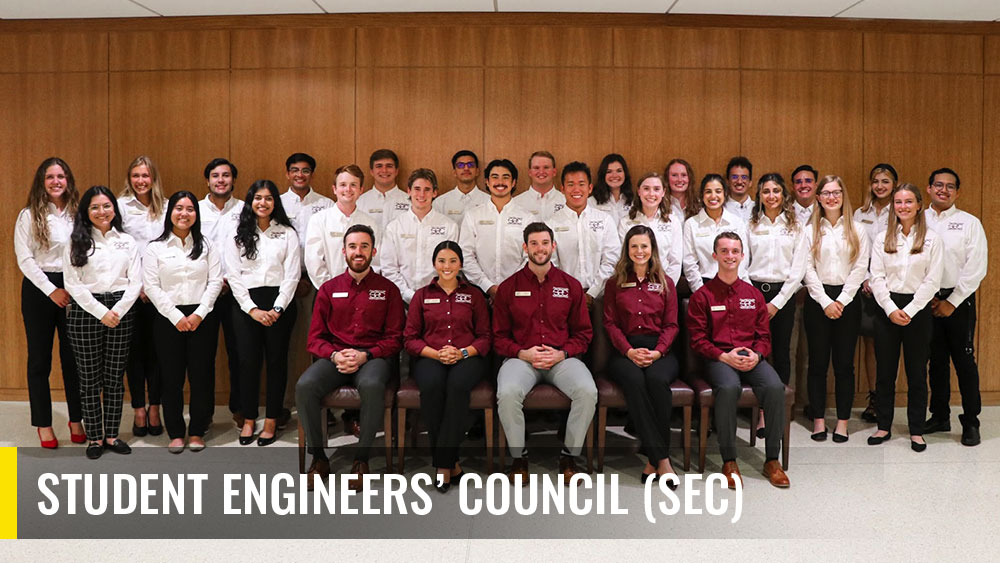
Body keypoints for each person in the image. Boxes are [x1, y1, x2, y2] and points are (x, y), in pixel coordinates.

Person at [297, 224, 404, 491]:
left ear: (374, 251)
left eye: (364, 246)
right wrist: (334, 355)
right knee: (305, 386)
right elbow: (314, 339)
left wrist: (366, 355)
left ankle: (361, 459)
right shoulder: (329, 289)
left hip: (372, 358)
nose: (359, 252)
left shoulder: (388, 289)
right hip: (336, 357)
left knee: (371, 385)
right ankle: (319, 458)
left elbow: (395, 338)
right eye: (353, 247)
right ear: (343, 251)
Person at [493, 222, 596, 482]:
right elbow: (498, 337)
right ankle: (519, 458)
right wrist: (522, 353)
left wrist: (562, 354)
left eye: (545, 243)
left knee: (587, 391)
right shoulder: (508, 287)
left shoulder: (571, 286)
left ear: (554, 246)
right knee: (507, 393)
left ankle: (569, 456)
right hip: (521, 359)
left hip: (561, 358)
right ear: (525, 247)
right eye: (534, 244)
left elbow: (584, 334)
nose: (540, 249)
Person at [686, 232, 789, 489]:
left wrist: (757, 355)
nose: (730, 256)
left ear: (742, 256)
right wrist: (723, 356)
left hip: (751, 357)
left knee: (775, 388)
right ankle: (729, 461)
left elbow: (764, 336)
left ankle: (772, 460)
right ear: (715, 256)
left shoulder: (753, 295)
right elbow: (697, 340)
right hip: (718, 358)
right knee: (729, 388)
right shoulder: (703, 296)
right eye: (724, 251)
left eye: (735, 251)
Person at [403, 241, 491, 493]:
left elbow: (485, 337)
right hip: (431, 357)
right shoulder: (422, 295)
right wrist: (437, 354)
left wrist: (461, 352)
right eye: (442, 261)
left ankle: (442, 465)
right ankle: (450, 464)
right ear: (434, 264)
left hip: (468, 358)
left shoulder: (474, 295)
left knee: (457, 385)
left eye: (453, 260)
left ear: (461, 264)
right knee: (431, 387)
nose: (447, 266)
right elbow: (410, 339)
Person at [63, 186, 142, 459]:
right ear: (86, 211)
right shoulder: (75, 241)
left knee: (114, 379)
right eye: (95, 207)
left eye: (106, 206)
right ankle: (95, 438)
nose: (102, 212)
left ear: (114, 209)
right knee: (89, 380)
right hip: (87, 311)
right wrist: (100, 311)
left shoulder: (127, 241)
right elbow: (72, 283)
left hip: (121, 310)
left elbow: (136, 281)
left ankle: (112, 434)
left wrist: (117, 310)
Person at [142, 190, 223, 453]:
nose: (184, 214)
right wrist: (176, 316)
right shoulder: (156, 247)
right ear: (170, 213)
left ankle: (197, 430)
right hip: (168, 318)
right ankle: (175, 431)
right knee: (171, 377)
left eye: (190, 209)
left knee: (201, 376)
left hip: (203, 317)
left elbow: (215, 282)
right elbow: (152, 287)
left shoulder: (208, 245)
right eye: (179, 208)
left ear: (196, 215)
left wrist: (199, 313)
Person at [603, 225, 680, 486]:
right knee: (635, 381)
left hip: (660, 350)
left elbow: (671, 325)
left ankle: (651, 460)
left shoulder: (666, 282)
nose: (639, 251)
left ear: (652, 250)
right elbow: (610, 324)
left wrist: (658, 352)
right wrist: (629, 351)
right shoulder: (614, 283)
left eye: (644, 246)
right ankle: (663, 460)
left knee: (658, 382)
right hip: (625, 351)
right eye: (634, 246)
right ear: (627, 249)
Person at [225, 179, 300, 447]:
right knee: (247, 363)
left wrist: (278, 307)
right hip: (246, 304)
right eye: (258, 198)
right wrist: (252, 309)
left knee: (277, 362)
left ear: (275, 202)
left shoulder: (288, 233)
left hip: (281, 302)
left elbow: (292, 275)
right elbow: (233, 276)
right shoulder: (237, 232)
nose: (263, 203)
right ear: (250, 201)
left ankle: (271, 420)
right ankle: (248, 419)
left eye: (268, 198)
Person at [15, 157, 84, 448]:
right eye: (50, 177)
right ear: (41, 182)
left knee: (74, 360)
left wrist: (72, 288)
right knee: (40, 360)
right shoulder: (28, 215)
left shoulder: (78, 214)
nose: (56, 182)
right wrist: (50, 290)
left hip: (73, 289)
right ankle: (43, 424)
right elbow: (25, 260)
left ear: (68, 180)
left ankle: (76, 419)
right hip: (39, 289)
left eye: (61, 176)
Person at [868, 183, 943, 452]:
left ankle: (916, 430)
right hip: (887, 307)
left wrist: (909, 311)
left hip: (918, 310)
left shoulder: (932, 239)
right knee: (885, 372)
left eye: (908, 201)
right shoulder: (882, 238)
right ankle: (883, 426)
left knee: (916, 373)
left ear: (919, 204)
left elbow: (932, 280)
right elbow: (875, 276)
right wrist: (890, 309)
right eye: (898, 202)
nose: (903, 206)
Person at [802, 176, 869, 442]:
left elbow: (861, 267)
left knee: (844, 365)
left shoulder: (857, 229)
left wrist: (841, 300)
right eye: (826, 193)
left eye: (836, 192)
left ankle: (842, 421)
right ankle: (819, 419)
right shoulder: (809, 230)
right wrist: (826, 301)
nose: (831, 197)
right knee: (817, 363)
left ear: (843, 196)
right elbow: (805, 269)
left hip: (848, 301)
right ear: (818, 198)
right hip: (817, 300)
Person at [924, 168, 987, 446]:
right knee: (935, 362)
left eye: (950, 187)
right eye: (938, 185)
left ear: (957, 193)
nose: (944, 190)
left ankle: (971, 421)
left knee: (964, 362)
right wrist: (929, 297)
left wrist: (952, 301)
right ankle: (939, 415)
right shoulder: (917, 219)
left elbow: (976, 267)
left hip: (958, 301)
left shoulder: (969, 223)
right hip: (925, 300)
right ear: (928, 189)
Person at [746, 173, 807, 439]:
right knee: (755, 352)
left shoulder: (796, 226)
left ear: (784, 195)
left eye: (776, 191)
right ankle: (758, 411)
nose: (771, 196)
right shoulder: (749, 224)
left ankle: (777, 411)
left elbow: (798, 269)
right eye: (766, 191)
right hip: (753, 293)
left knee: (781, 352)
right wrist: (759, 302)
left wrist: (778, 302)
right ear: (759, 196)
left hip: (784, 295)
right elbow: (741, 263)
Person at [279, 153, 334, 429]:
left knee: (321, 344)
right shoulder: (275, 202)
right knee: (286, 346)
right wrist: (292, 279)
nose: (300, 175)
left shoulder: (326, 204)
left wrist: (314, 280)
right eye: (294, 170)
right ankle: (286, 404)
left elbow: (327, 249)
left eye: (305, 171)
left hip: (317, 283)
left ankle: (325, 404)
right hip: (282, 284)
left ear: (312, 174)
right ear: (287, 174)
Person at [117, 155, 167, 438]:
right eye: (135, 175)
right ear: (129, 178)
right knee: (133, 353)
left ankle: (155, 407)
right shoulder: (121, 206)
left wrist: (152, 286)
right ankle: (138, 408)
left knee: (158, 353)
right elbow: (119, 248)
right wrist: (138, 286)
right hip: (130, 290)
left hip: (160, 290)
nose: (140, 181)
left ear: (153, 178)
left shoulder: (168, 206)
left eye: (145, 175)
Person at [198, 157, 245, 429]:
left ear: (233, 180)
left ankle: (239, 408)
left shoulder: (245, 209)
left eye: (226, 175)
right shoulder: (195, 209)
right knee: (203, 357)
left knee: (239, 354)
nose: (221, 180)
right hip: (204, 292)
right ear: (208, 180)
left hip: (236, 291)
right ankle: (203, 416)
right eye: (215, 175)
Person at [853, 163, 897, 424]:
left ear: (894, 185)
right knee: (870, 343)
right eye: (876, 181)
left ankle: (887, 396)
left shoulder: (901, 209)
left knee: (890, 345)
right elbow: (858, 251)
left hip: (893, 286)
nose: (880, 186)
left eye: (886, 181)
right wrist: (867, 278)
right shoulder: (861, 213)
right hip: (866, 287)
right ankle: (874, 398)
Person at [380, 168, 460, 304]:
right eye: (417, 189)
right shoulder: (394, 227)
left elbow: (452, 267)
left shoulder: (449, 226)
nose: (421, 194)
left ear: (435, 193)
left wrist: (433, 295)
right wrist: (408, 294)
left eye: (427, 189)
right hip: (401, 300)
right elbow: (389, 268)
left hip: (438, 299)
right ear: (408, 191)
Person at [459, 158, 532, 300]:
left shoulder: (527, 217)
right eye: (495, 177)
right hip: (479, 292)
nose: (500, 182)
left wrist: (508, 287)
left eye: (506, 177)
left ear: (514, 182)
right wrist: (488, 286)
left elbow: (529, 257)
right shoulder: (473, 215)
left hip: (517, 292)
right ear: (487, 182)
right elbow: (465, 255)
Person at [549, 161, 620, 304]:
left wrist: (592, 293)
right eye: (570, 184)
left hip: (601, 298)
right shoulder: (551, 224)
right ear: (562, 189)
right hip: (564, 299)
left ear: (590, 188)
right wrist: (570, 293)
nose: (576, 189)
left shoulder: (605, 220)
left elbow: (612, 260)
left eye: (581, 184)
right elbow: (551, 265)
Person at [305, 164, 381, 289]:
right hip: (329, 292)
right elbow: (314, 262)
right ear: (334, 189)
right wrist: (331, 289)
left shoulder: (370, 223)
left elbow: (376, 261)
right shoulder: (319, 220)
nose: (348, 189)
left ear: (361, 190)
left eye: (353, 185)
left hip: (363, 291)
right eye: (343, 185)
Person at [682, 174, 749, 292]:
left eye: (718, 191)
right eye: (708, 192)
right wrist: (701, 292)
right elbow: (689, 264)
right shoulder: (691, 224)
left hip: (734, 285)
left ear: (725, 194)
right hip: (704, 285)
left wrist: (736, 287)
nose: (713, 196)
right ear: (702, 195)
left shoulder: (737, 222)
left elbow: (743, 258)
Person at [618, 172, 682, 285]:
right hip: (632, 285)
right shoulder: (625, 222)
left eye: (656, 189)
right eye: (646, 188)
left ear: (663, 192)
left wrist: (666, 287)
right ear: (639, 191)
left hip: (662, 286)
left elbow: (675, 262)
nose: (651, 194)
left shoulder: (673, 222)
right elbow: (621, 258)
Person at [433, 150, 490, 226]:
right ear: (454, 172)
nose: (466, 168)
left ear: (477, 171)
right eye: (460, 165)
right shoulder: (440, 203)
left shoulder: (489, 201)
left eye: (470, 165)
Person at [356, 148, 409, 231]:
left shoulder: (409, 201)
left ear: (396, 171)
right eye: (379, 166)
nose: (384, 170)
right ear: (372, 171)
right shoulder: (359, 202)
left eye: (389, 166)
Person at [513, 151, 566, 221]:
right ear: (530, 172)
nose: (541, 172)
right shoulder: (516, 203)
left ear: (554, 172)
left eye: (546, 167)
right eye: (536, 168)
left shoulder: (566, 201)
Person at [588, 153, 633, 224]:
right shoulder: (591, 203)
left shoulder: (633, 201)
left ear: (625, 173)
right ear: (603, 175)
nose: (614, 175)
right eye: (609, 171)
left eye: (619, 171)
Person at [724, 156, 754, 223]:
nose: (739, 182)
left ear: (750, 182)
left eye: (744, 177)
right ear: (727, 182)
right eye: (734, 177)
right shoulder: (721, 210)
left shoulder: (759, 210)